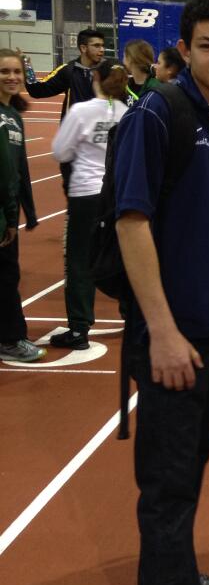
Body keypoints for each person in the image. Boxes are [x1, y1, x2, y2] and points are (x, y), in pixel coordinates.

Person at [114, 0, 209, 585]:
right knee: (167, 480)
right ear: (184, 49)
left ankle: (165, 581)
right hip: (174, 336)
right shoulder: (157, 113)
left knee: (190, 466)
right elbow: (131, 222)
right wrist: (164, 332)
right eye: (208, 45)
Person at [49, 59, 129, 350]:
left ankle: (79, 328)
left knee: (79, 261)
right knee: (122, 256)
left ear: (96, 78)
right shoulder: (127, 113)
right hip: (115, 195)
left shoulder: (81, 111)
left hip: (85, 194)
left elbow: (60, 151)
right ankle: (131, 313)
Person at [0, 49, 43, 363]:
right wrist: (11, 217)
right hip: (2, 217)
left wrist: (29, 210)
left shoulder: (13, 115)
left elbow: (19, 169)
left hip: (7, 214)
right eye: (4, 71)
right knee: (6, 278)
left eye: (16, 71)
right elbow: (4, 173)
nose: (12, 77)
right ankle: (12, 339)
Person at [25, 27, 105, 119]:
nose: (102, 49)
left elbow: (111, 99)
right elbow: (37, 90)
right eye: (97, 46)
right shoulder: (68, 71)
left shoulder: (107, 72)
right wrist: (27, 68)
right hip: (73, 127)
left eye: (102, 45)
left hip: (99, 127)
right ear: (83, 48)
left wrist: (109, 106)